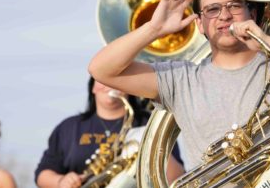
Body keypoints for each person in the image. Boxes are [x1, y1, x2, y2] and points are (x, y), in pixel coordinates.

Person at [88, 0, 270, 170]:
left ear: (253, 14)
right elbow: (101, 70)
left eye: (234, 6)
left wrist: (264, 41)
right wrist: (153, 28)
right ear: (200, 25)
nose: (224, 16)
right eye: (212, 10)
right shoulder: (180, 78)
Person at [35, 77, 184, 188]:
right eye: (102, 78)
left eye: (117, 78)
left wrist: (153, 144)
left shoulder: (152, 122)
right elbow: (42, 174)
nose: (109, 84)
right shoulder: (70, 127)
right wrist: (61, 181)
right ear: (93, 87)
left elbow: (176, 178)